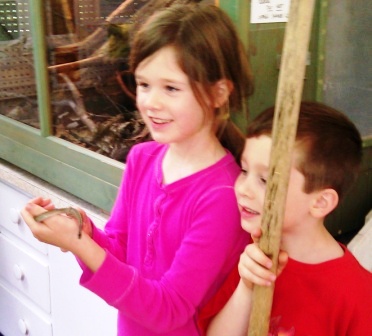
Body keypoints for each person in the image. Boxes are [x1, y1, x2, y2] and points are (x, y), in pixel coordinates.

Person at [21, 3, 253, 336]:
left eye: (171, 88)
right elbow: (119, 248)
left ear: (219, 92)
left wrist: (76, 243)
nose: (151, 103)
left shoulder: (223, 195)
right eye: (143, 84)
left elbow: (170, 309)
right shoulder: (143, 158)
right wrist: (79, 227)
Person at [199, 101, 372, 335]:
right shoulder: (257, 254)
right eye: (244, 170)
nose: (243, 189)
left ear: (320, 202)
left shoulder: (357, 295)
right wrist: (246, 289)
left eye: (265, 181)